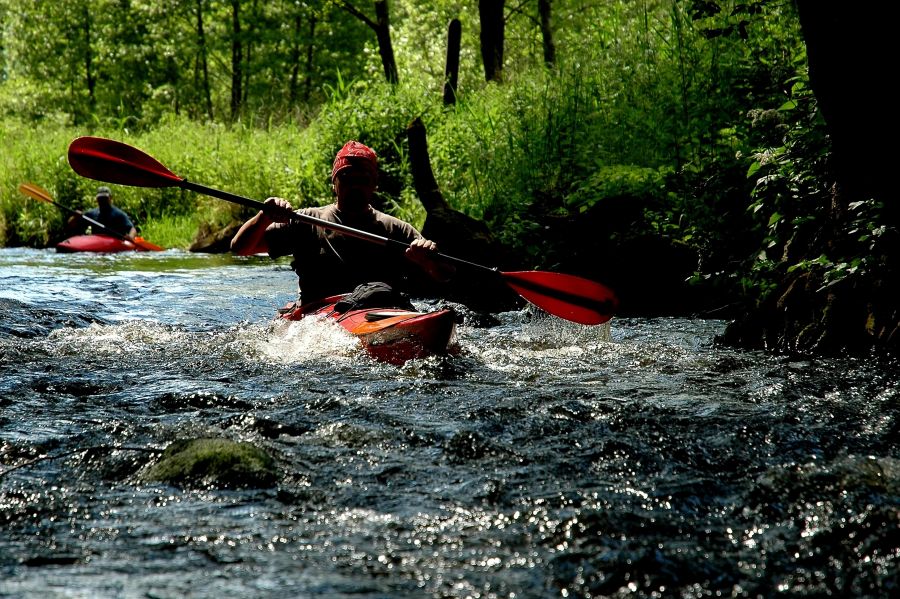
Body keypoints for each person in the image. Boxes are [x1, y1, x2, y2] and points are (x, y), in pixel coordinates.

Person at [230, 140, 453, 306]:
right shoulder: (305, 221)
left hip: (381, 312)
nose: (355, 186)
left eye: (363, 179)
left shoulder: (397, 229)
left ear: (374, 183)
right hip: (321, 316)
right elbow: (240, 248)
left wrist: (428, 262)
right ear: (334, 183)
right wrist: (264, 216)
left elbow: (445, 276)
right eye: (347, 178)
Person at [66, 186, 137, 238]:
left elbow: (132, 229)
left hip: (114, 242)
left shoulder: (119, 214)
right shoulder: (91, 214)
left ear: (110, 198)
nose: (102, 201)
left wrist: (130, 237)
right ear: (97, 199)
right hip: (97, 242)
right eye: (100, 198)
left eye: (105, 198)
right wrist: (75, 217)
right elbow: (71, 225)